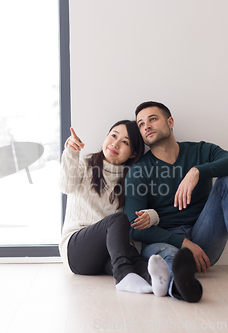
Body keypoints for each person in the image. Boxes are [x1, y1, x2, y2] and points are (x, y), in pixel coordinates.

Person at [124, 101, 228, 300]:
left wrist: (198, 171)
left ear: (170, 122)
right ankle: (180, 285)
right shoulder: (139, 170)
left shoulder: (200, 151)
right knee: (170, 258)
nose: (146, 126)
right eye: (140, 124)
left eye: (152, 119)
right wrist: (183, 242)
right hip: (165, 240)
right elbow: (133, 226)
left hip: (204, 239)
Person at [59, 120, 171, 296]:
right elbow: (66, 187)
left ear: (133, 152)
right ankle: (123, 276)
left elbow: (151, 209)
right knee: (118, 220)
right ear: (106, 137)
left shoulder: (134, 178)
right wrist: (71, 153)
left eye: (125, 142)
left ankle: (168, 285)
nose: (115, 143)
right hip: (76, 250)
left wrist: (151, 216)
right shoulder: (84, 164)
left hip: (108, 253)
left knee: (134, 257)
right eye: (113, 136)